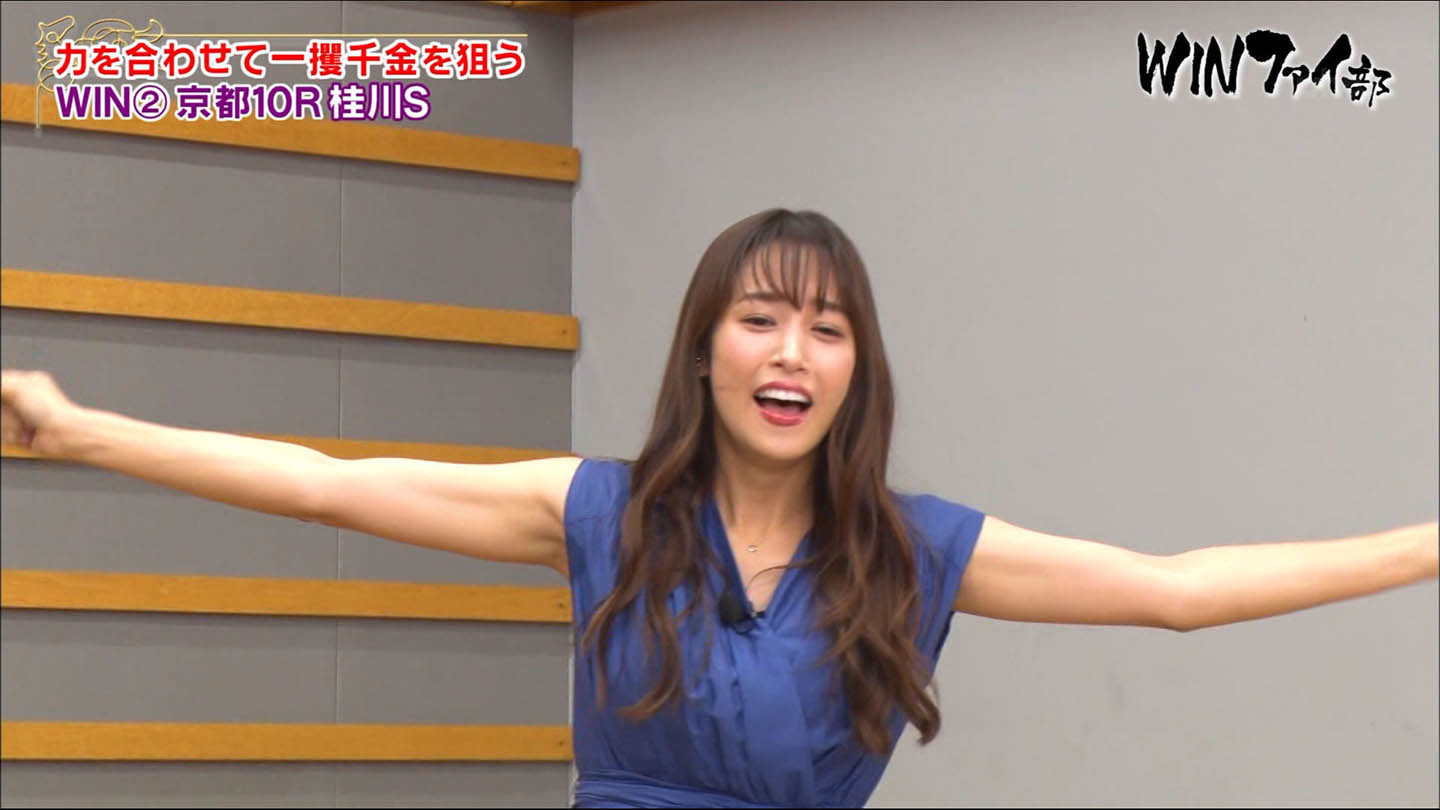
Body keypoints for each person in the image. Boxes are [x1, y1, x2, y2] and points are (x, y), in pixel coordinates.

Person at [1, 208, 1435, 808]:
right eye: (760, 319)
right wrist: (80, 430)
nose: (791, 354)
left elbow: (1178, 590)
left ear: (857, 367)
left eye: (827, 328)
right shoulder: (602, 513)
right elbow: (330, 483)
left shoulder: (915, 551)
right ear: (705, 348)